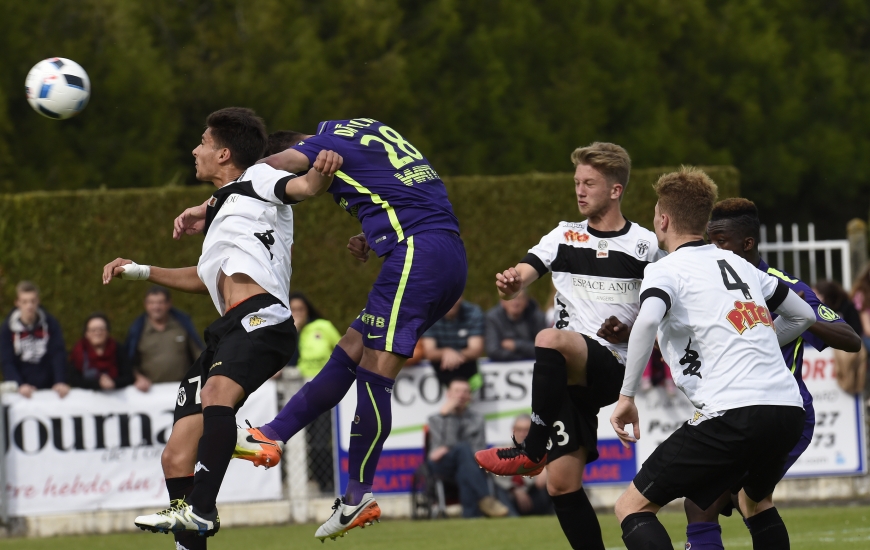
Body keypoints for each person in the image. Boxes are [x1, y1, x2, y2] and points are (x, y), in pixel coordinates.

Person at [201, 118, 467, 541]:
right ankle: (270, 435)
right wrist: (373, 230)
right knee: (351, 349)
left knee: (376, 373)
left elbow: (273, 164)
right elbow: (401, 187)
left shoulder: (319, 145)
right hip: (441, 251)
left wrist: (213, 203)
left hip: (419, 253)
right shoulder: (359, 129)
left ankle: (357, 494)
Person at [103, 107, 341, 546]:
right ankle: (188, 537)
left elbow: (304, 186)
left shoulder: (260, 177)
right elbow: (203, 276)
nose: (195, 150)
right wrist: (138, 270)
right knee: (176, 454)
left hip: (263, 319)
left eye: (202, 143)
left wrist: (321, 174)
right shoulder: (222, 206)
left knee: (216, 397)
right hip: (227, 328)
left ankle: (203, 510)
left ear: (224, 153)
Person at [610, 167, 816, 550]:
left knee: (631, 507)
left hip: (733, 413)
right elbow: (803, 315)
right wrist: (767, 340)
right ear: (704, 222)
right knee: (753, 502)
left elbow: (649, 319)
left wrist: (626, 398)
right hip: (788, 409)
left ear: (663, 219)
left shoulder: (665, 269)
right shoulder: (741, 264)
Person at [474, 142, 664, 550]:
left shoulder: (646, 246)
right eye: (577, 182)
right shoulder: (564, 234)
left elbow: (664, 313)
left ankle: (531, 449)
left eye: (589, 183)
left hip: (610, 365)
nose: (579, 190)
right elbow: (525, 273)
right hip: (566, 377)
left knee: (548, 337)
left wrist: (628, 329)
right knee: (561, 485)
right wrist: (512, 283)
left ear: (615, 190)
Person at [672, 199, 863, 549]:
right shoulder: (708, 285)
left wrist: (799, 316)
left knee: (738, 500)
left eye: (721, 241)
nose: (713, 249)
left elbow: (851, 339)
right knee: (712, 502)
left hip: (782, 410)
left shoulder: (779, 286)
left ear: (748, 243)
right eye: (709, 240)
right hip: (735, 409)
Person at [427, 379, 508, 518]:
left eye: (465, 392)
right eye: (457, 391)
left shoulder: (477, 419)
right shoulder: (436, 418)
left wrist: (448, 448)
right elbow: (441, 448)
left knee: (464, 469)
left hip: (468, 465)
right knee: (463, 450)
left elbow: (479, 449)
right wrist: (447, 416)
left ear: (470, 396)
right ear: (448, 394)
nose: (461, 395)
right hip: (441, 465)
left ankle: (471, 518)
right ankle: (486, 498)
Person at [125, 286, 204, 391]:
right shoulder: (138, 331)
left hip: (184, 388)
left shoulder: (182, 326)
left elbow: (199, 355)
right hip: (151, 392)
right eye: (151, 303)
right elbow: (128, 362)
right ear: (145, 304)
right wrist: (137, 377)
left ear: (169, 303)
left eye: (160, 302)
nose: (156, 307)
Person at [0, 281, 69, 398]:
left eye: (33, 301)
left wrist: (60, 381)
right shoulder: (7, 329)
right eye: (25, 301)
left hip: (50, 390)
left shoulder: (50, 324)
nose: (29, 306)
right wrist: (19, 384)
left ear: (38, 301)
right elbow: (6, 361)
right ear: (17, 302)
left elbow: (58, 353)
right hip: (21, 392)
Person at [492, 414, 553, 516]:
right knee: (498, 486)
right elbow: (496, 476)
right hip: (509, 495)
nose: (522, 433)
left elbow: (539, 482)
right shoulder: (501, 450)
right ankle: (511, 517)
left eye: (526, 430)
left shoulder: (542, 452)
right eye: (519, 429)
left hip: (532, 495)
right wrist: (515, 489)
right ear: (513, 430)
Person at [421, 296, 485, 389]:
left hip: (469, 367)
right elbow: (429, 352)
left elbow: (476, 349)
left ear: (461, 296)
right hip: (439, 368)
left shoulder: (473, 312)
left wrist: (455, 354)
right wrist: (445, 352)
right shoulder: (430, 313)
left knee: (470, 390)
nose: (451, 302)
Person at [68, 313, 132, 391]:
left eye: (101, 329)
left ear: (107, 332)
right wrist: (98, 384)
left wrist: (114, 383)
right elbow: (73, 379)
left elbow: (128, 376)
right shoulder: (78, 351)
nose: (97, 333)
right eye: (93, 330)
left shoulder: (117, 349)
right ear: (86, 334)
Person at [288, 292, 341, 379]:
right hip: (302, 381)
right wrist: (294, 332)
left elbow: (342, 349)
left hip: (326, 378)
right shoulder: (287, 334)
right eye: (293, 310)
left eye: (301, 309)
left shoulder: (323, 326)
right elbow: (291, 363)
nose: (297, 313)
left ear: (307, 310)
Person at [485, 289, 547, 362]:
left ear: (527, 301)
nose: (515, 303)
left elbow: (544, 349)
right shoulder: (493, 318)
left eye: (519, 298)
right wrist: (523, 355)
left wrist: (516, 345)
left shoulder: (537, 317)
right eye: (511, 298)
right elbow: (493, 351)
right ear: (502, 301)